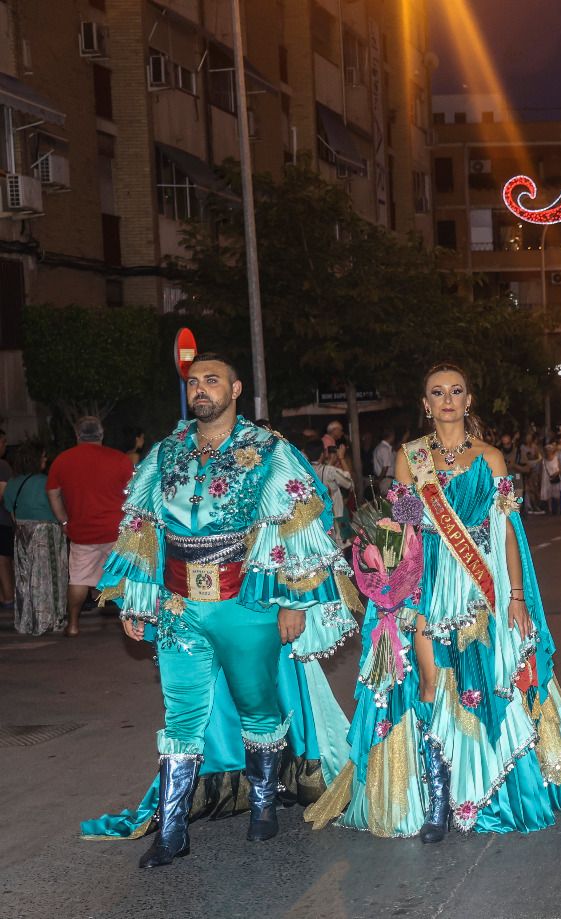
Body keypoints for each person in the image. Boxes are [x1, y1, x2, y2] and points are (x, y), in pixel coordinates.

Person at [309, 364, 561, 841]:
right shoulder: (411, 457)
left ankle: (481, 787)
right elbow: (404, 527)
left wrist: (515, 595)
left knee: (478, 681)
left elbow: (507, 530)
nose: (447, 399)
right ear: (425, 403)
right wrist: (385, 584)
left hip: (478, 583)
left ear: (468, 400)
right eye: (437, 392)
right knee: (430, 680)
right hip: (426, 578)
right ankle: (437, 801)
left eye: (456, 391)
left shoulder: (490, 457)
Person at [81, 355, 358, 867]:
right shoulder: (166, 453)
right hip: (178, 605)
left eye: (212, 381)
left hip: (245, 604)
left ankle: (263, 805)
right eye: (194, 383)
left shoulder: (269, 449)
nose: (201, 390)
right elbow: (141, 528)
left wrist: (293, 599)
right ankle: (170, 832)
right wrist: (136, 599)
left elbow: (291, 522)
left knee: (258, 707)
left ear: (235, 389)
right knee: (180, 715)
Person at [46, 416, 135, 636]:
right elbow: (134, 492)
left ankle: (73, 625)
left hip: (82, 531)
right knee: (124, 576)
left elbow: (53, 493)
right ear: (101, 434)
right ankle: (131, 623)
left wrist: (64, 520)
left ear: (77, 435)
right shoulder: (120, 459)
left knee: (78, 578)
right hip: (116, 529)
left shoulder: (62, 460)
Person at [1, 449, 68, 633]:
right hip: (46, 532)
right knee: (49, 576)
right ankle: (50, 620)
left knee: (25, 577)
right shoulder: (45, 482)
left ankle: (27, 621)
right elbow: (58, 504)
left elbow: (9, 508)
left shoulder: (13, 483)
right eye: (43, 456)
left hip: (22, 533)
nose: (45, 459)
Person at [308, 439, 355, 542]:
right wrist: (341, 458)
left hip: (314, 517)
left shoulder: (303, 470)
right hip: (334, 514)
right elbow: (349, 483)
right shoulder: (329, 471)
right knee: (340, 545)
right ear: (323, 453)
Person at [0, 428, 13, 608]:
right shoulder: (2, 466)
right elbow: (3, 493)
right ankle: (9, 597)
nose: (5, 446)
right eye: (2, 442)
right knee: (3, 560)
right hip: (2, 520)